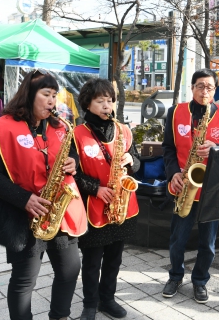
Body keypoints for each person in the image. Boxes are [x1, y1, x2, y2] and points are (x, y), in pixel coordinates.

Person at [0, 69, 87, 320]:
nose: (52, 101)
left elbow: (71, 155)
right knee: (24, 279)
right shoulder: (3, 127)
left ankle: (59, 316)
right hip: (23, 215)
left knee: (70, 270)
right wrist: (23, 199)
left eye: (54, 95)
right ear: (29, 95)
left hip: (60, 213)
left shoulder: (60, 126)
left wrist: (73, 162)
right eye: (46, 94)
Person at [161, 68, 219, 303]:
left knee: (209, 244)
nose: (205, 91)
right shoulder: (175, 112)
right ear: (192, 87)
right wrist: (172, 173)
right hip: (183, 185)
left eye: (210, 87)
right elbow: (168, 148)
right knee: (177, 240)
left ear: (215, 90)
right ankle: (175, 276)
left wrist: (217, 147)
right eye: (200, 86)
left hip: (211, 189)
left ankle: (200, 280)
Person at [72, 78, 140, 320]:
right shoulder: (76, 134)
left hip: (122, 205)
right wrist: (96, 189)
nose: (106, 106)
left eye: (109, 100)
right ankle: (90, 304)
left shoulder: (123, 130)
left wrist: (132, 162)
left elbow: (137, 162)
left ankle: (107, 299)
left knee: (114, 259)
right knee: (92, 262)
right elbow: (72, 175)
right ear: (87, 104)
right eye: (100, 101)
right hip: (94, 207)